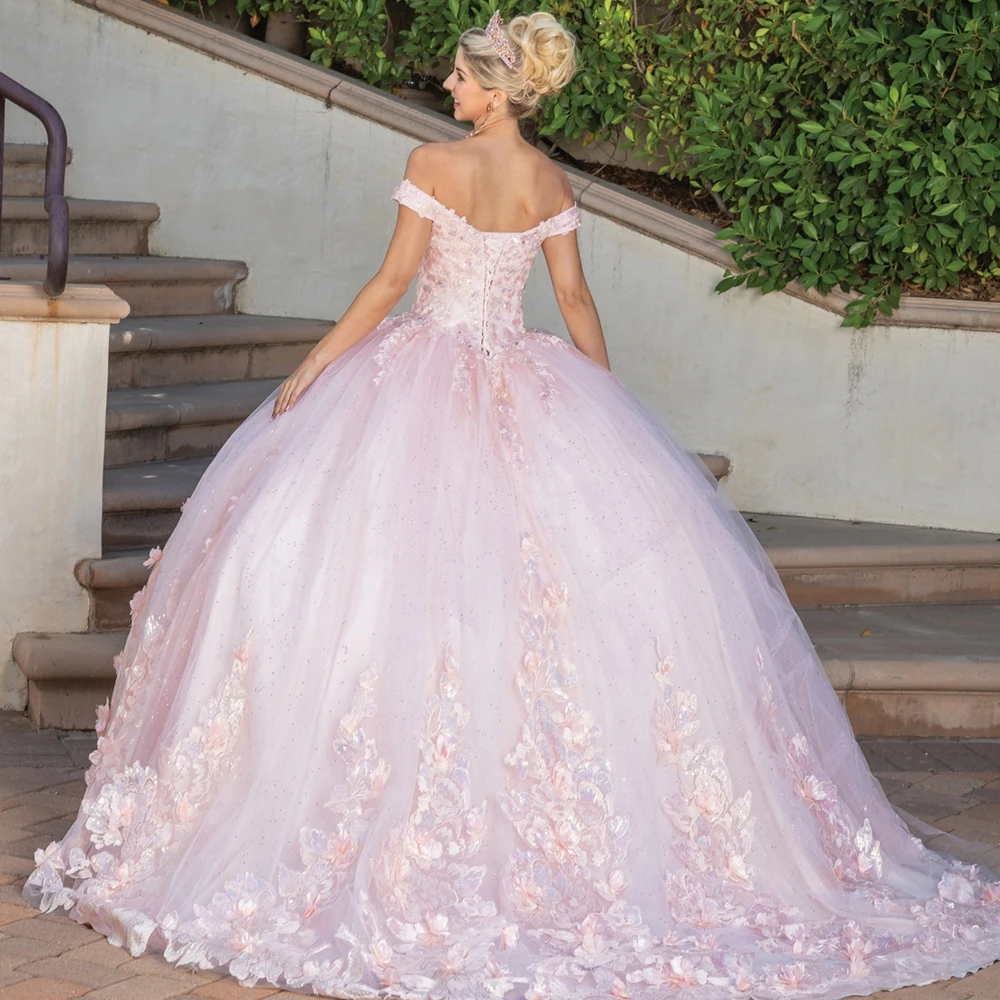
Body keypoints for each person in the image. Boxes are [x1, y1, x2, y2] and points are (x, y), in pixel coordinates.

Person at [23, 10, 1000, 999]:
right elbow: (573, 301)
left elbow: (397, 281)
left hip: (415, 376)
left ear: (494, 88)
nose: (446, 86)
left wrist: (317, 362)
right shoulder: (548, 182)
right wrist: (611, 417)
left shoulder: (433, 163)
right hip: (524, 379)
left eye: (457, 74)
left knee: (373, 583)